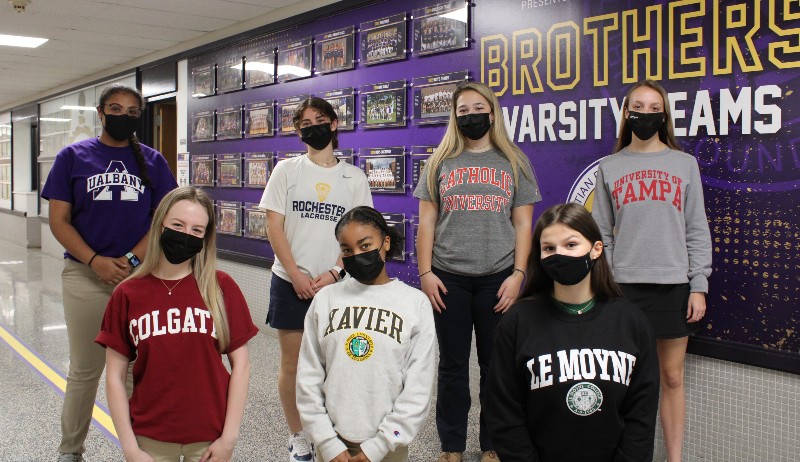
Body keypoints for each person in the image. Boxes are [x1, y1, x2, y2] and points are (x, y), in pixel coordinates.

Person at [41, 83, 177, 462]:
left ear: (140, 118)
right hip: (85, 277)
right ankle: (70, 452)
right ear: (100, 114)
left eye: (132, 112)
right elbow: (59, 221)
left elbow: (164, 219)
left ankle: (140, 450)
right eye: (115, 109)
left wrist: (132, 261)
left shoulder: (153, 161)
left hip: (140, 277)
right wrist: (94, 261)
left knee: (138, 370)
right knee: (85, 370)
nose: (123, 116)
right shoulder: (73, 157)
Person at [413, 81, 542, 462]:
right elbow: (425, 224)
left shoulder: (514, 162)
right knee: (452, 366)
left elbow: (523, 225)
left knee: (495, 367)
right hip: (448, 276)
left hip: (498, 279)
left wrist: (519, 274)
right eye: (463, 110)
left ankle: (493, 444)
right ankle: (451, 445)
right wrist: (425, 273)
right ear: (455, 117)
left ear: (493, 112)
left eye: (477, 108)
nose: (470, 116)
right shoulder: (439, 162)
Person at [591, 79, 713, 462]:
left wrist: (699, 284)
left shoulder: (684, 164)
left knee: (672, 378)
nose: (645, 114)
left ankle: (675, 458)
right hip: (623, 288)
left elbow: (696, 227)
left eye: (653, 107)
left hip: (673, 287)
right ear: (626, 114)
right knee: (622, 381)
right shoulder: (610, 166)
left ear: (664, 115)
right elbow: (600, 236)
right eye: (637, 107)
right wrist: (607, 283)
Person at [96, 186, 259, 462]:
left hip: (210, 435)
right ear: (160, 226)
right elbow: (113, 376)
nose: (186, 235)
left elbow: (241, 365)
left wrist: (229, 438)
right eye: (178, 225)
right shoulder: (128, 294)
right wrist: (130, 448)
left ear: (205, 238)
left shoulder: (221, 288)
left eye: (197, 230)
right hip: (150, 435)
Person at [485, 203, 660, 462]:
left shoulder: (631, 322)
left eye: (570, 245)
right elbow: (503, 410)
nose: (559, 255)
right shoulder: (517, 322)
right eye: (549, 248)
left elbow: (641, 415)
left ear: (596, 249)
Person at [260, 97, 373, 462]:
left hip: (339, 285)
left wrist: (335, 271)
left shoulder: (354, 177)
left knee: (339, 364)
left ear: (334, 124)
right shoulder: (286, 171)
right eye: (303, 123)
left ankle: (338, 431)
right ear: (298, 131)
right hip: (289, 281)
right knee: (292, 364)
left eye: (319, 120)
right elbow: (273, 225)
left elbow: (362, 233)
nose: (312, 127)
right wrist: (294, 274)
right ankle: (299, 438)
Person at [296, 206, 436, 462]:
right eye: (347, 250)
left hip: (388, 448)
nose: (357, 255)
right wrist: (326, 442)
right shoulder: (325, 299)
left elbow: (418, 386)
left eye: (365, 245)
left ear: (385, 242)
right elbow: (308, 375)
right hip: (331, 445)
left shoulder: (415, 304)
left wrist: (380, 445)